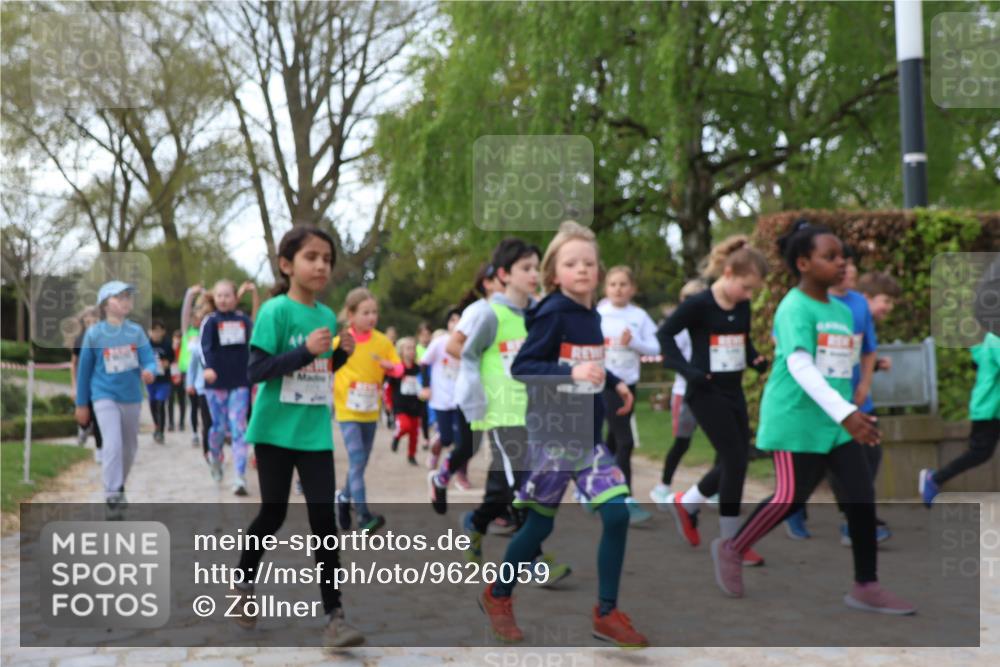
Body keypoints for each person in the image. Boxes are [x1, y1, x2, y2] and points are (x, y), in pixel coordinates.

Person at [711, 219, 915, 615]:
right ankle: (733, 548)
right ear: (803, 263)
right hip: (797, 418)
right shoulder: (793, 308)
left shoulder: (842, 309)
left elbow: (842, 364)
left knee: (860, 496)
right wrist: (848, 413)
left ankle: (865, 586)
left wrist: (853, 404)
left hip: (836, 422)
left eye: (843, 256)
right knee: (790, 497)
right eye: (830, 256)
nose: (842, 263)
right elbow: (802, 367)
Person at [480, 222, 647, 648]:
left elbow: (588, 358)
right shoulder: (553, 312)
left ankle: (606, 614)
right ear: (554, 273)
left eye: (589, 263)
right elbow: (524, 367)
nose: (583, 270)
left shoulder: (592, 315)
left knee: (617, 514)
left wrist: (614, 382)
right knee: (537, 529)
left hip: (587, 440)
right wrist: (568, 372)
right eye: (571, 263)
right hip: (552, 440)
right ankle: (498, 595)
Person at [231, 225, 363, 648]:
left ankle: (335, 617)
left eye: (327, 258)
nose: (321, 265)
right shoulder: (274, 312)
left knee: (324, 520)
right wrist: (305, 350)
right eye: (312, 257)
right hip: (273, 432)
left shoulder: (327, 316)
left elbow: (318, 377)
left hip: (313, 434)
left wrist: (337, 357)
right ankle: (244, 583)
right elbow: (256, 371)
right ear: (287, 265)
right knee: (274, 514)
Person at [656, 235, 769, 567]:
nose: (748, 296)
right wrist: (687, 370)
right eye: (746, 288)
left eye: (752, 292)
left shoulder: (742, 305)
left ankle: (687, 503)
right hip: (704, 392)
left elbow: (741, 342)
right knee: (736, 459)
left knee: (733, 459)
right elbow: (665, 336)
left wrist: (755, 360)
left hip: (734, 390)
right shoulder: (699, 304)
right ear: (730, 272)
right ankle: (732, 542)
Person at [785, 256, 898, 543]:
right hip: (822, 401)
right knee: (817, 464)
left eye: (851, 269)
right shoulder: (800, 304)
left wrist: (865, 384)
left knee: (868, 455)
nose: (848, 274)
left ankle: (854, 524)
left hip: (855, 397)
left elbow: (866, 348)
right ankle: (792, 508)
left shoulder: (857, 304)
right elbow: (789, 349)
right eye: (843, 268)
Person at [920, 258, 1000, 505]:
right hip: (989, 409)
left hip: (991, 408)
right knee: (979, 453)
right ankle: (934, 478)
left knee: (980, 453)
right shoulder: (995, 338)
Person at [74, 281, 157, 518]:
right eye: (119, 297)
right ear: (105, 304)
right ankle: (111, 495)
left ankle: (118, 485)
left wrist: (150, 371)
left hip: (131, 396)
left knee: (130, 447)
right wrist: (81, 404)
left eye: (128, 297)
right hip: (103, 396)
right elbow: (84, 372)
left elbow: (148, 359)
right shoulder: (94, 334)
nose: (126, 300)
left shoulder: (136, 332)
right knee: (111, 444)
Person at [333, 287, 403, 533]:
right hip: (347, 411)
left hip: (371, 411)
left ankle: (342, 499)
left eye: (374, 312)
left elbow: (399, 367)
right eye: (365, 312)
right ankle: (363, 516)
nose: (371, 317)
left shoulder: (382, 341)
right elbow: (325, 364)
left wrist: (390, 367)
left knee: (359, 465)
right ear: (351, 315)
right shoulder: (341, 342)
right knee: (357, 459)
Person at [598, 266, 661, 525]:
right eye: (613, 284)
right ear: (606, 288)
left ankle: (596, 488)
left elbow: (656, 345)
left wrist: (634, 342)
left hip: (630, 383)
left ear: (633, 288)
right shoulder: (599, 313)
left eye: (624, 284)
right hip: (606, 383)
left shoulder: (639, 316)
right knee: (625, 441)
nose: (618, 289)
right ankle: (626, 501)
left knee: (612, 441)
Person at [433, 263, 502, 494]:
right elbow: (453, 345)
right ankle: (442, 476)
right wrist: (483, 362)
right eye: (502, 279)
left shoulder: (518, 311)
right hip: (475, 390)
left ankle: (503, 510)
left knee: (507, 448)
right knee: (469, 446)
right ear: (488, 283)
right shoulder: (478, 311)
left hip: (505, 391)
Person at [649, 279, 706, 508]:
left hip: (710, 393)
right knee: (682, 443)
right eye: (688, 299)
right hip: (685, 392)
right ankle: (662, 486)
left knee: (724, 444)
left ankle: (715, 489)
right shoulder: (679, 330)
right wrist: (690, 372)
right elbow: (666, 351)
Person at [201, 280, 255, 494]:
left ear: (235, 298)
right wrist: (208, 368)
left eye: (227, 295)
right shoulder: (210, 321)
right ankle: (215, 457)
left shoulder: (243, 320)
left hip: (240, 382)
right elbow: (203, 349)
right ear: (214, 298)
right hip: (216, 384)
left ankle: (240, 477)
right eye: (219, 295)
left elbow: (254, 344)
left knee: (239, 428)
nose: (223, 299)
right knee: (218, 428)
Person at [420, 311, 462, 471]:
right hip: (441, 399)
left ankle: (458, 473)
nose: (456, 323)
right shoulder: (440, 342)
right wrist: (425, 386)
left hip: (461, 399)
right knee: (446, 438)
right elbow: (423, 363)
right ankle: (436, 449)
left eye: (460, 319)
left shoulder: (471, 342)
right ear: (447, 324)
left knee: (462, 442)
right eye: (452, 320)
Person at [388, 336, 429, 465]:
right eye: (408, 348)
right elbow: (388, 388)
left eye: (413, 348)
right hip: (400, 406)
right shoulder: (397, 369)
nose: (411, 351)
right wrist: (389, 403)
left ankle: (411, 456)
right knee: (405, 426)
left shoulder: (419, 369)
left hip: (416, 405)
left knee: (414, 433)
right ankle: (396, 436)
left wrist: (423, 399)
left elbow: (423, 387)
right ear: (401, 351)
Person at [70, 306, 103, 460]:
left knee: (98, 416)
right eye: (88, 317)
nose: (92, 320)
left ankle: (99, 448)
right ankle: (83, 428)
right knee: (86, 415)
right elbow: (74, 364)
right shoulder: (80, 339)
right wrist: (74, 385)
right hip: (84, 384)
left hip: (100, 384)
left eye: (95, 317)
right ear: (83, 320)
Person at [146, 320, 175, 444]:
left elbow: (172, 358)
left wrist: (166, 363)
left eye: (158, 331)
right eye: (153, 331)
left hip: (164, 380)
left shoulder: (167, 344)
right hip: (151, 380)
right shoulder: (146, 345)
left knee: (161, 403)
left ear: (163, 332)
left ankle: (161, 432)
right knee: (152, 404)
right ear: (149, 332)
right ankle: (157, 425)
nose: (156, 334)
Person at [167, 329, 185, 432]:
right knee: (170, 400)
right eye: (176, 337)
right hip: (171, 375)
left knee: (181, 400)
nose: (177, 340)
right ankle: (171, 423)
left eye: (179, 338)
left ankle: (181, 422)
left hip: (181, 374)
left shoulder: (184, 348)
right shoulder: (170, 347)